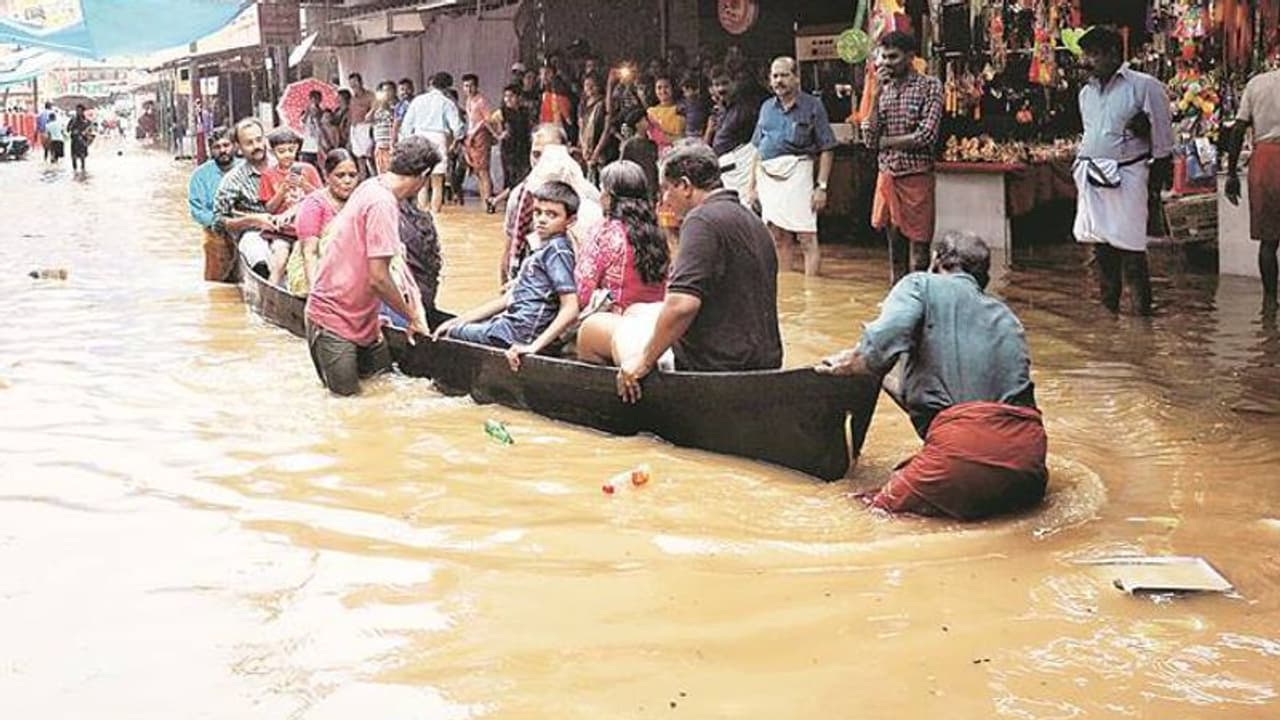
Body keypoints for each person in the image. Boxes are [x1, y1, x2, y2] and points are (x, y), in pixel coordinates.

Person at [815, 232, 1047, 521]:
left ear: (937, 262)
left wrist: (843, 365)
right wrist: (882, 376)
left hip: (961, 454)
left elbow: (873, 352)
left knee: (859, 509)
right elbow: (956, 404)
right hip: (1029, 460)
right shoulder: (1006, 317)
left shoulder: (920, 284)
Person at [615, 143, 782, 403]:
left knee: (597, 329)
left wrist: (644, 362)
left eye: (666, 190)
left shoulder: (700, 221)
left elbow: (682, 305)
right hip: (763, 362)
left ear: (684, 185)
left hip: (715, 366)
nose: (664, 201)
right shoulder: (752, 220)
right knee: (636, 311)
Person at [304, 137, 438, 396]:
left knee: (383, 392)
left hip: (366, 320)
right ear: (423, 176)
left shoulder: (372, 186)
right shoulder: (382, 203)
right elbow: (379, 278)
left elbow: (395, 261)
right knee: (348, 407)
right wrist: (411, 317)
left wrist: (417, 308)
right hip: (334, 317)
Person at [1072, 26, 1174, 316]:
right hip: (1093, 177)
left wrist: (1155, 187)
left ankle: (1142, 322)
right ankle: (1109, 320)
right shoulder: (1085, 93)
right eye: (1085, 54)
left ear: (1113, 54)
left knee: (1132, 251)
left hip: (1129, 176)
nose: (1087, 61)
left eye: (1093, 54)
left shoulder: (1145, 86)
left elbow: (1164, 140)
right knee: (1101, 251)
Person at [433, 180, 582, 371]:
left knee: (450, 335)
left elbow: (570, 308)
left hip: (519, 334)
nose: (542, 220)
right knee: (455, 326)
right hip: (512, 327)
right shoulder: (545, 248)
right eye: (538, 212)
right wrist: (459, 320)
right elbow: (509, 299)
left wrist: (533, 347)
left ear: (571, 220)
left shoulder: (557, 252)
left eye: (552, 215)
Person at [864, 31, 945, 284]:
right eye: (883, 57)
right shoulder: (881, 89)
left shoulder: (930, 86)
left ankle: (920, 303)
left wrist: (885, 142)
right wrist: (876, 95)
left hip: (917, 177)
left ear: (910, 57)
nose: (886, 63)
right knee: (894, 251)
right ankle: (898, 305)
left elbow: (926, 136)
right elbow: (869, 138)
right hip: (888, 175)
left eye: (893, 57)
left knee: (919, 253)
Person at [747, 57, 836, 277]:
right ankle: (787, 290)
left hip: (799, 175)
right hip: (768, 177)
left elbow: (827, 147)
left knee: (807, 237)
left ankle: (812, 293)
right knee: (777, 237)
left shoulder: (813, 106)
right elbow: (758, 149)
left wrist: (821, 187)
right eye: (775, 76)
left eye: (784, 75)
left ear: (796, 78)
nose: (779, 81)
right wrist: (752, 185)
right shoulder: (766, 107)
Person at [575, 160, 671, 365]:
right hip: (656, 322)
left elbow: (582, 293)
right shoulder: (657, 234)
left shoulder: (605, 231)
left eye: (602, 191)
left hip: (618, 325)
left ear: (609, 197)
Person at [1225, 64, 1280, 309]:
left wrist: (1231, 173)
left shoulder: (1257, 83)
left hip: (1265, 161)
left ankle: (1269, 303)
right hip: (1266, 157)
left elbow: (1238, 129)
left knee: (1268, 241)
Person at [212, 118, 281, 280]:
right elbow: (217, 222)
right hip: (255, 235)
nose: (257, 146)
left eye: (259, 140)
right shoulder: (233, 180)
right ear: (239, 148)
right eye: (249, 143)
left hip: (290, 230)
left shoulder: (284, 165)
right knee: (255, 250)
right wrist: (252, 220)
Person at [286, 149, 361, 294]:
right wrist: (316, 294)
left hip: (350, 271)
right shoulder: (314, 203)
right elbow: (309, 253)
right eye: (340, 176)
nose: (347, 181)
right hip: (314, 272)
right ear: (327, 177)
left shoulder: (359, 201)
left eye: (352, 175)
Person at [398, 71, 464, 214]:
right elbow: (457, 128)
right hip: (438, 138)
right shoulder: (447, 103)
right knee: (437, 181)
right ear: (447, 87)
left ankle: (423, 213)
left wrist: (407, 141)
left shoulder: (418, 100)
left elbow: (406, 126)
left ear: (431, 84)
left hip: (419, 137)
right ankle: (436, 215)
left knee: (422, 181)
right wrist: (457, 139)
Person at [188, 126, 241, 282]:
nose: (222, 150)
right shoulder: (200, 175)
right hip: (216, 231)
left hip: (246, 225)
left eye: (226, 145)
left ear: (235, 146)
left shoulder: (245, 168)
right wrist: (221, 223)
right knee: (217, 279)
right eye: (217, 147)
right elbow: (197, 211)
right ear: (210, 150)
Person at [709, 66, 763, 201]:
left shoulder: (747, 106)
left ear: (735, 83)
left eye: (725, 83)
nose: (721, 89)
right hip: (725, 167)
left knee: (744, 206)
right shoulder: (721, 108)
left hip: (742, 165)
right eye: (717, 85)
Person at [492, 84, 532, 207]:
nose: (508, 99)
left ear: (518, 97)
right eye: (506, 96)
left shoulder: (524, 112)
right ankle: (497, 200)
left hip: (523, 148)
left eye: (511, 96)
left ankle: (500, 201)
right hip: (509, 150)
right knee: (513, 179)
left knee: (524, 177)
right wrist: (499, 134)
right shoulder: (502, 112)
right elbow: (488, 121)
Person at [461, 73, 496, 209]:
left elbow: (486, 120)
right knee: (477, 171)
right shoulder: (469, 101)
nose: (469, 89)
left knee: (483, 170)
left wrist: (474, 134)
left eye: (471, 86)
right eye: (466, 86)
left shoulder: (481, 101)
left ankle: (488, 202)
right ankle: (483, 200)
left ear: (477, 86)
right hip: (471, 136)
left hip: (480, 136)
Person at [578, 73, 608, 183]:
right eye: (587, 85)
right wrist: (583, 147)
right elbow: (581, 127)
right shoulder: (583, 104)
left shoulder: (603, 104)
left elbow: (606, 129)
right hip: (586, 147)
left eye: (593, 85)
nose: (589, 88)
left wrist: (597, 151)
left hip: (600, 147)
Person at [646, 75, 686, 155]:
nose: (663, 91)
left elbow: (683, 137)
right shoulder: (650, 112)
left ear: (673, 89)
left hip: (679, 152)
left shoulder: (681, 108)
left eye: (666, 87)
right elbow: (651, 138)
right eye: (659, 88)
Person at [346, 73, 376, 177]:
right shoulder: (352, 98)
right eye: (351, 83)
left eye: (355, 82)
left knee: (369, 156)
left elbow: (375, 108)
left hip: (366, 127)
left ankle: (374, 177)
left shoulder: (369, 95)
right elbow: (351, 115)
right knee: (359, 157)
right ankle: (363, 178)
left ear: (361, 82)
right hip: (355, 129)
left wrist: (370, 113)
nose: (353, 85)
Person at [371, 81, 397, 174]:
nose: (386, 93)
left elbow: (396, 121)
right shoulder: (378, 109)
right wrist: (376, 105)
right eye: (384, 91)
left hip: (390, 144)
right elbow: (368, 118)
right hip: (379, 144)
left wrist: (386, 106)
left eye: (388, 90)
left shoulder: (396, 106)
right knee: (381, 171)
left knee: (391, 171)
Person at [299, 90, 325, 172]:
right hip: (307, 146)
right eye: (312, 99)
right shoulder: (305, 113)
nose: (314, 101)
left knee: (319, 170)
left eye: (317, 99)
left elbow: (323, 127)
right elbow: (302, 122)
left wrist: (317, 116)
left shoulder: (323, 113)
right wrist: (308, 112)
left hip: (319, 146)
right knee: (306, 170)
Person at [67, 104, 94, 175]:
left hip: (82, 141)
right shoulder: (72, 120)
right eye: (77, 110)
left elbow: (91, 130)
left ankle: (83, 171)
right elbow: (68, 129)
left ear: (83, 111)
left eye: (79, 110)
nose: (78, 112)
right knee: (74, 157)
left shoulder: (86, 121)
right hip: (74, 141)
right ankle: (75, 172)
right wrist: (72, 129)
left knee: (82, 157)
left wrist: (86, 133)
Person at [391, 78, 415, 143]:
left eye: (408, 89)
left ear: (413, 89)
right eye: (402, 89)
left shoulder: (418, 102)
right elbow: (396, 123)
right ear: (398, 92)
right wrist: (393, 140)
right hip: (404, 135)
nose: (405, 92)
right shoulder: (399, 106)